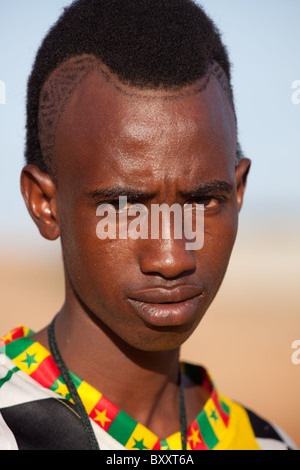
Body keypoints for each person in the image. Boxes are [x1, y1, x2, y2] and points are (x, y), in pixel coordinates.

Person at [0, 0, 296, 451]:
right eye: (123, 206)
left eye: (202, 201)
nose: (173, 256)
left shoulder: (266, 444)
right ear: (45, 204)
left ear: (238, 193)